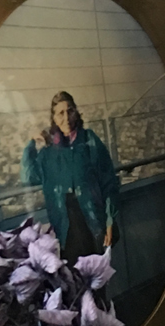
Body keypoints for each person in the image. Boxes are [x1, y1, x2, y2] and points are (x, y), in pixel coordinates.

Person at [20, 91, 119, 266]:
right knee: (73, 273)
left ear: (76, 113)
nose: (66, 118)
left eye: (70, 111)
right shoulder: (49, 152)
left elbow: (108, 180)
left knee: (96, 270)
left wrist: (110, 219)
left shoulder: (89, 141)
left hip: (92, 220)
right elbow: (28, 177)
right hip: (64, 226)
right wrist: (31, 144)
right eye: (60, 113)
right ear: (54, 118)